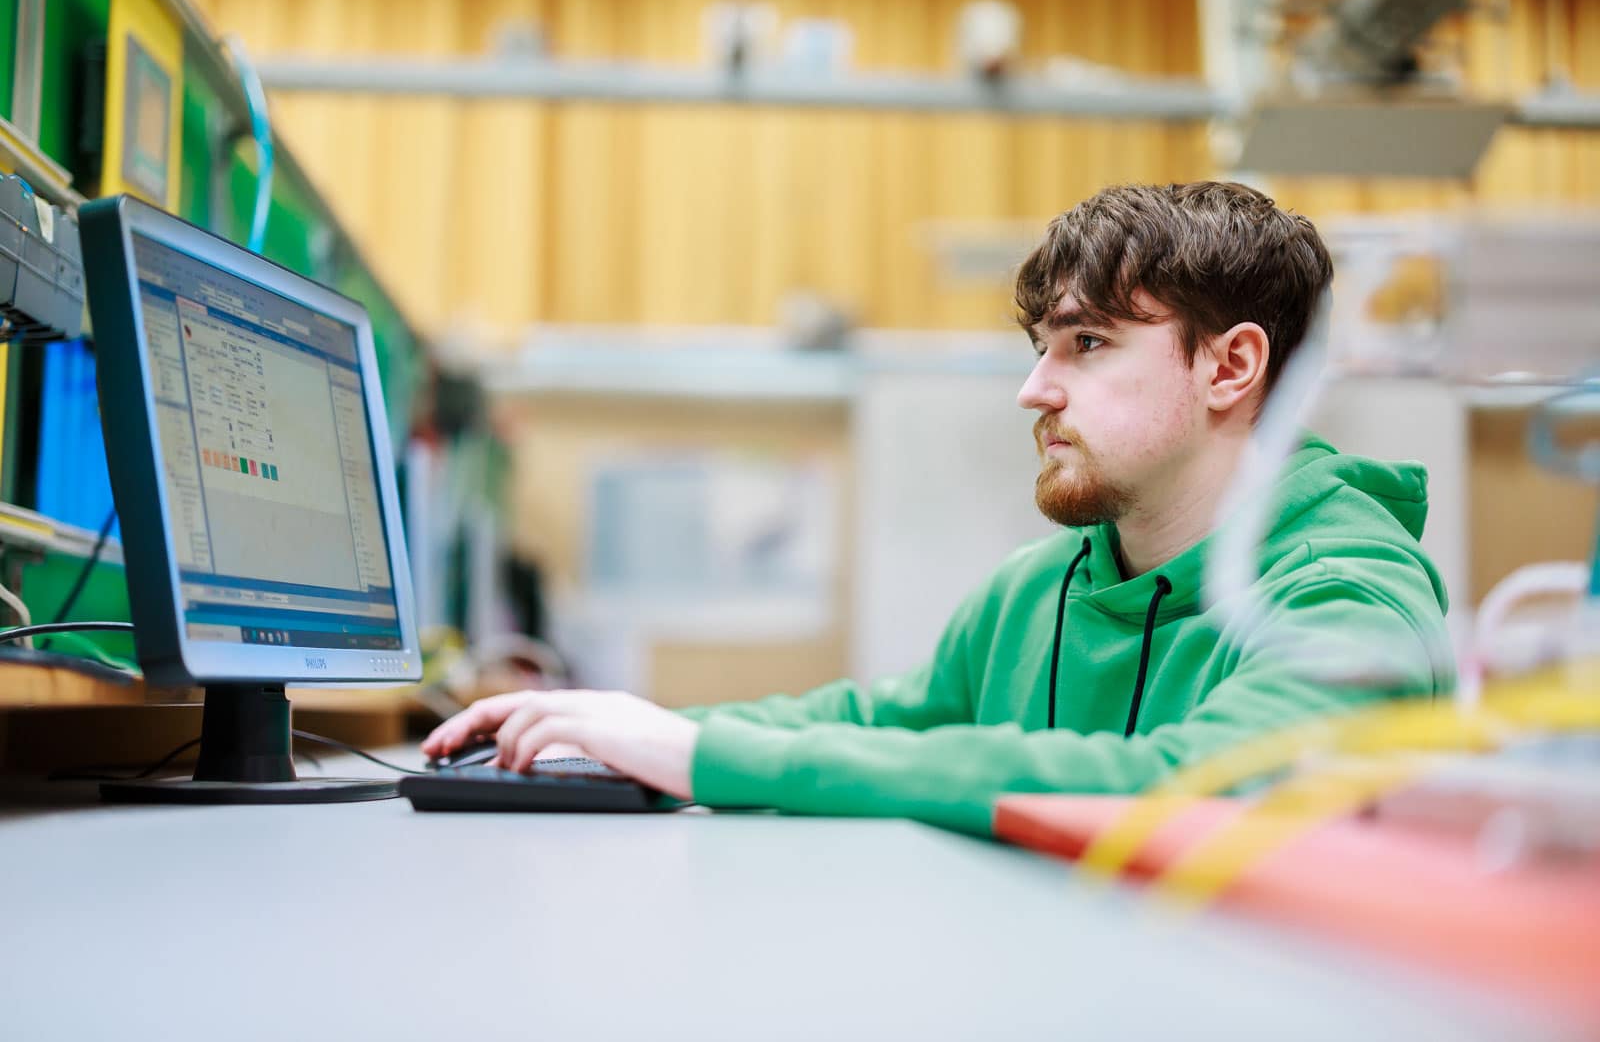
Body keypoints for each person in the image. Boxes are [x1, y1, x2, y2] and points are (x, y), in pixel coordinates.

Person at [421, 181, 1452, 837]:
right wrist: (624, 732)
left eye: (1087, 344)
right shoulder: (1033, 590)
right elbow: (873, 722)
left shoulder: (1347, 595)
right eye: (1040, 347)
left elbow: (1200, 785)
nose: (1033, 389)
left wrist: (699, 756)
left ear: (1230, 366)